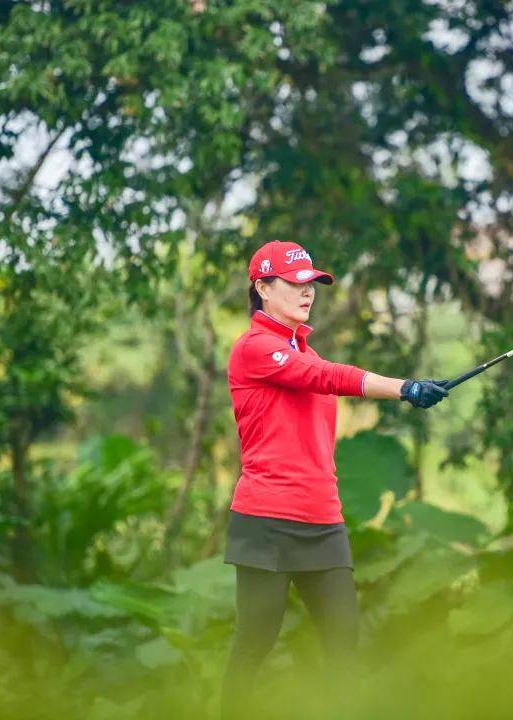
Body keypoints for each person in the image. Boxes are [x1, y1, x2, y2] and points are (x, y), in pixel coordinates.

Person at [220, 240, 447, 718]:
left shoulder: (305, 351)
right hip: (266, 518)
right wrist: (404, 388)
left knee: (344, 642)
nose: (308, 292)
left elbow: (320, 377)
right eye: (295, 283)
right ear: (262, 288)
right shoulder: (254, 349)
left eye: (312, 284)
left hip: (322, 519)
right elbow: (326, 377)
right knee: (255, 641)